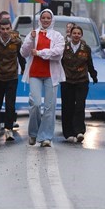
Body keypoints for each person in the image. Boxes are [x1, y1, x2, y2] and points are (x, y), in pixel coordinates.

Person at [20, 9, 65, 147]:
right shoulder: (33, 33)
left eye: (48, 18)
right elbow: (23, 53)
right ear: (40, 19)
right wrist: (31, 40)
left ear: (52, 20)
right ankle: (34, 133)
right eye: (43, 18)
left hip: (51, 75)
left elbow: (57, 53)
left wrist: (39, 52)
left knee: (49, 107)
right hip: (35, 73)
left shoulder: (58, 36)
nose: (45, 20)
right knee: (35, 104)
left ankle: (46, 137)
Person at [0, 18, 26, 141]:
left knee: (10, 104)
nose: (5, 31)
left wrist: (23, 69)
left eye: (7, 29)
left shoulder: (17, 42)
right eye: (2, 29)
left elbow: (21, 57)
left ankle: (9, 129)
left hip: (12, 76)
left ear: (10, 29)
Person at [60, 25, 98, 143]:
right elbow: (59, 64)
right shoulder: (63, 48)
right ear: (70, 35)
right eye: (74, 33)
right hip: (67, 81)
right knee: (68, 106)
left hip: (81, 80)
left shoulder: (86, 48)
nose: (76, 35)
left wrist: (93, 75)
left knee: (80, 106)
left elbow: (90, 64)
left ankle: (79, 131)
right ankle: (68, 132)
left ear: (81, 35)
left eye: (78, 33)